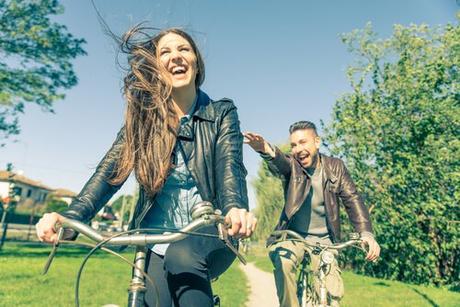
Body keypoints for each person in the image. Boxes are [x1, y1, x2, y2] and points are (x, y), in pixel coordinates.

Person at [36, 27, 256, 307]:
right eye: (165, 52)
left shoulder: (221, 112)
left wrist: (234, 208)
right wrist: (70, 219)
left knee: (182, 256)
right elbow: (109, 173)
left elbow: (230, 166)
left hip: (210, 229)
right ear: (156, 67)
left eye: (184, 49)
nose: (176, 56)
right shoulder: (144, 119)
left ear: (197, 62)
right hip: (154, 237)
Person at [244, 121, 380, 307]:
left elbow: (352, 199)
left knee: (332, 297)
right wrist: (265, 149)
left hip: (326, 241)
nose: (298, 149)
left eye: (303, 142)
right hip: (295, 238)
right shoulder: (293, 167)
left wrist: (366, 234)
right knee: (283, 261)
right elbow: (281, 162)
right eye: (294, 145)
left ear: (317, 142)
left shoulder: (336, 167)